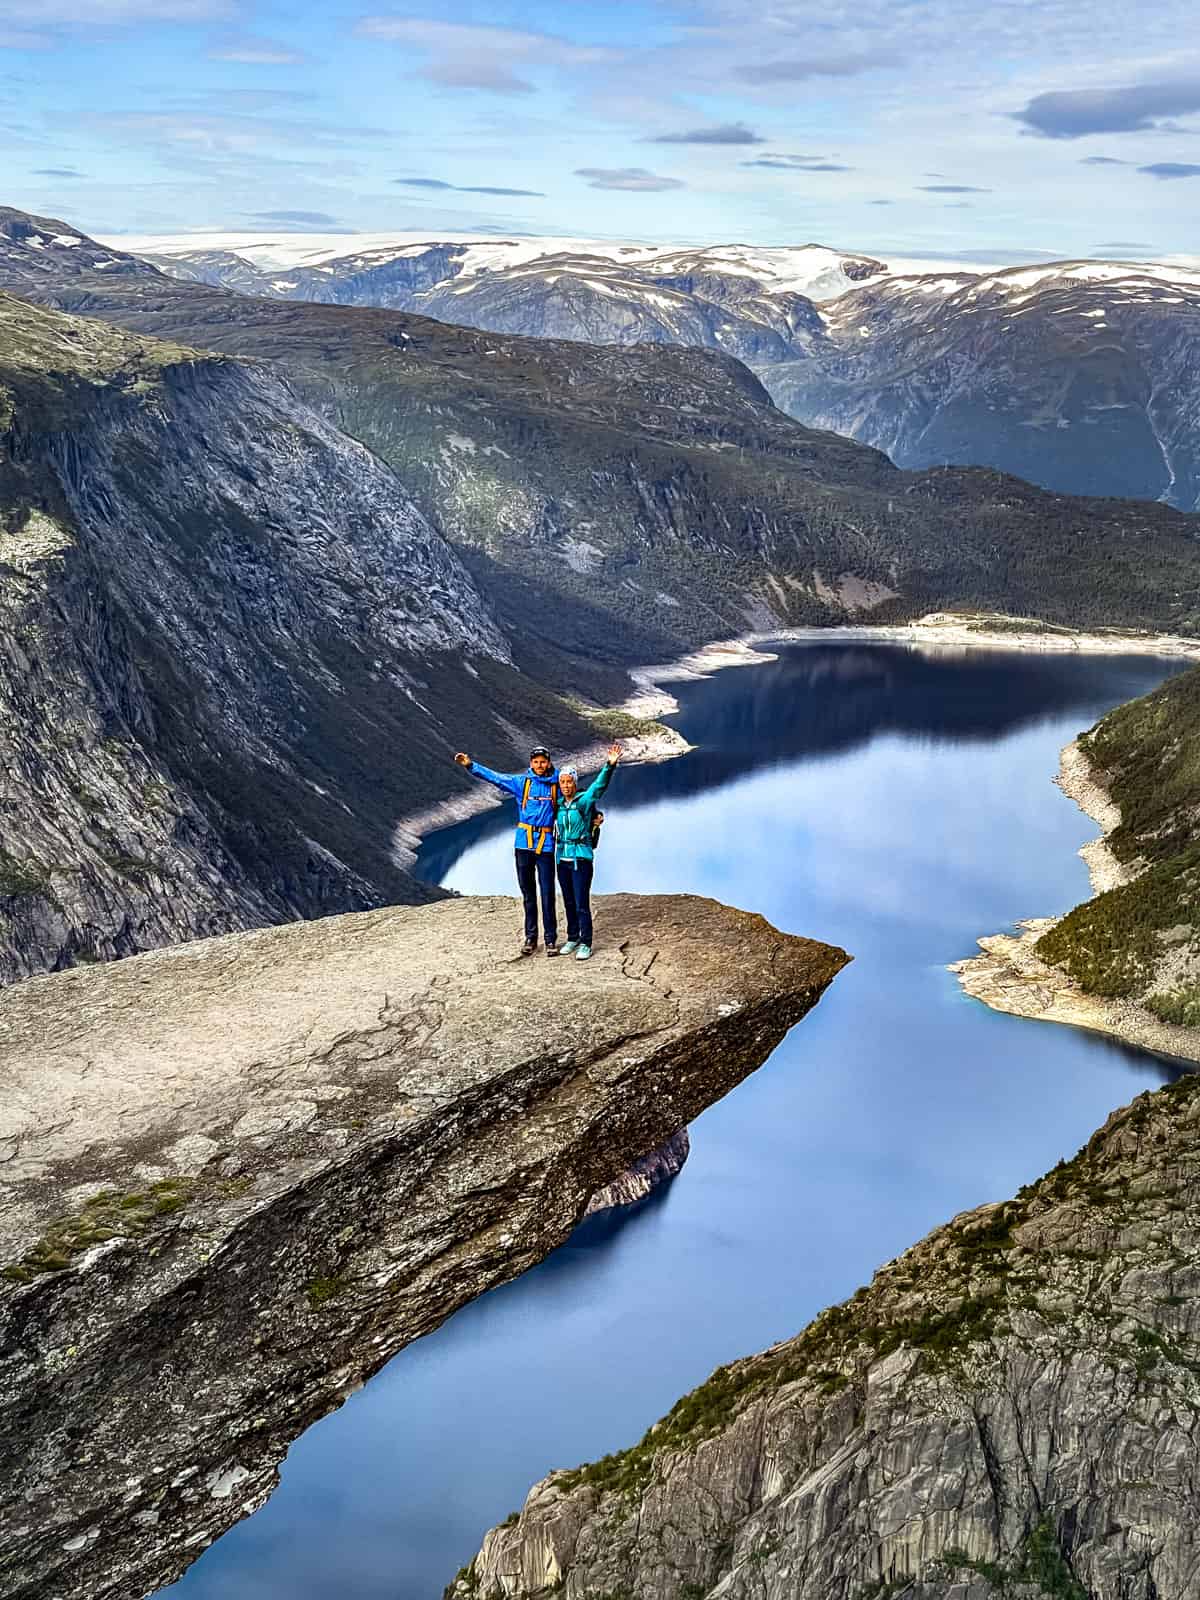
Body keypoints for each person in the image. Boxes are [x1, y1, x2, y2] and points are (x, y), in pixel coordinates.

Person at [454, 744, 561, 956]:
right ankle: (531, 938)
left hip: (546, 843)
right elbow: (496, 778)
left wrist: (594, 815)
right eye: (536, 762)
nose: (540, 765)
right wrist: (470, 766)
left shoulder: (558, 783)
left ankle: (550, 940)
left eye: (543, 761)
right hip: (524, 844)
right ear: (531, 763)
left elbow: (577, 798)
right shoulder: (521, 783)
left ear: (548, 762)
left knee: (548, 894)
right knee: (528, 893)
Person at [554, 744, 621, 961]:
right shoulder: (558, 805)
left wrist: (609, 766)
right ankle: (572, 937)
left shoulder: (583, 802)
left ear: (575, 782)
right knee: (568, 901)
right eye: (562, 782)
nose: (565, 785)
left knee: (581, 902)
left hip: (580, 857)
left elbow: (598, 787)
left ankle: (586, 942)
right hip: (561, 858)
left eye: (569, 781)